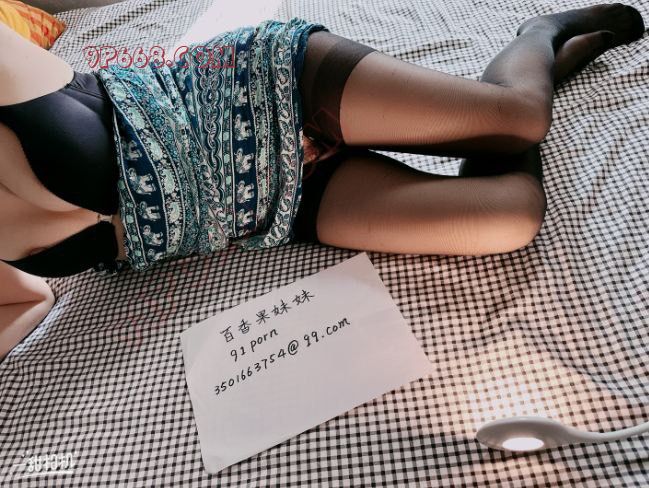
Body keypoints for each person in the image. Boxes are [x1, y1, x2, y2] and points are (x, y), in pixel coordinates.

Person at [0, 4, 645, 360]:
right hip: (272, 208)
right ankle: (529, 79)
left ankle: (539, 34)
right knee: (510, 218)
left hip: (259, 89)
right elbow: (29, 303)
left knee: (521, 119)